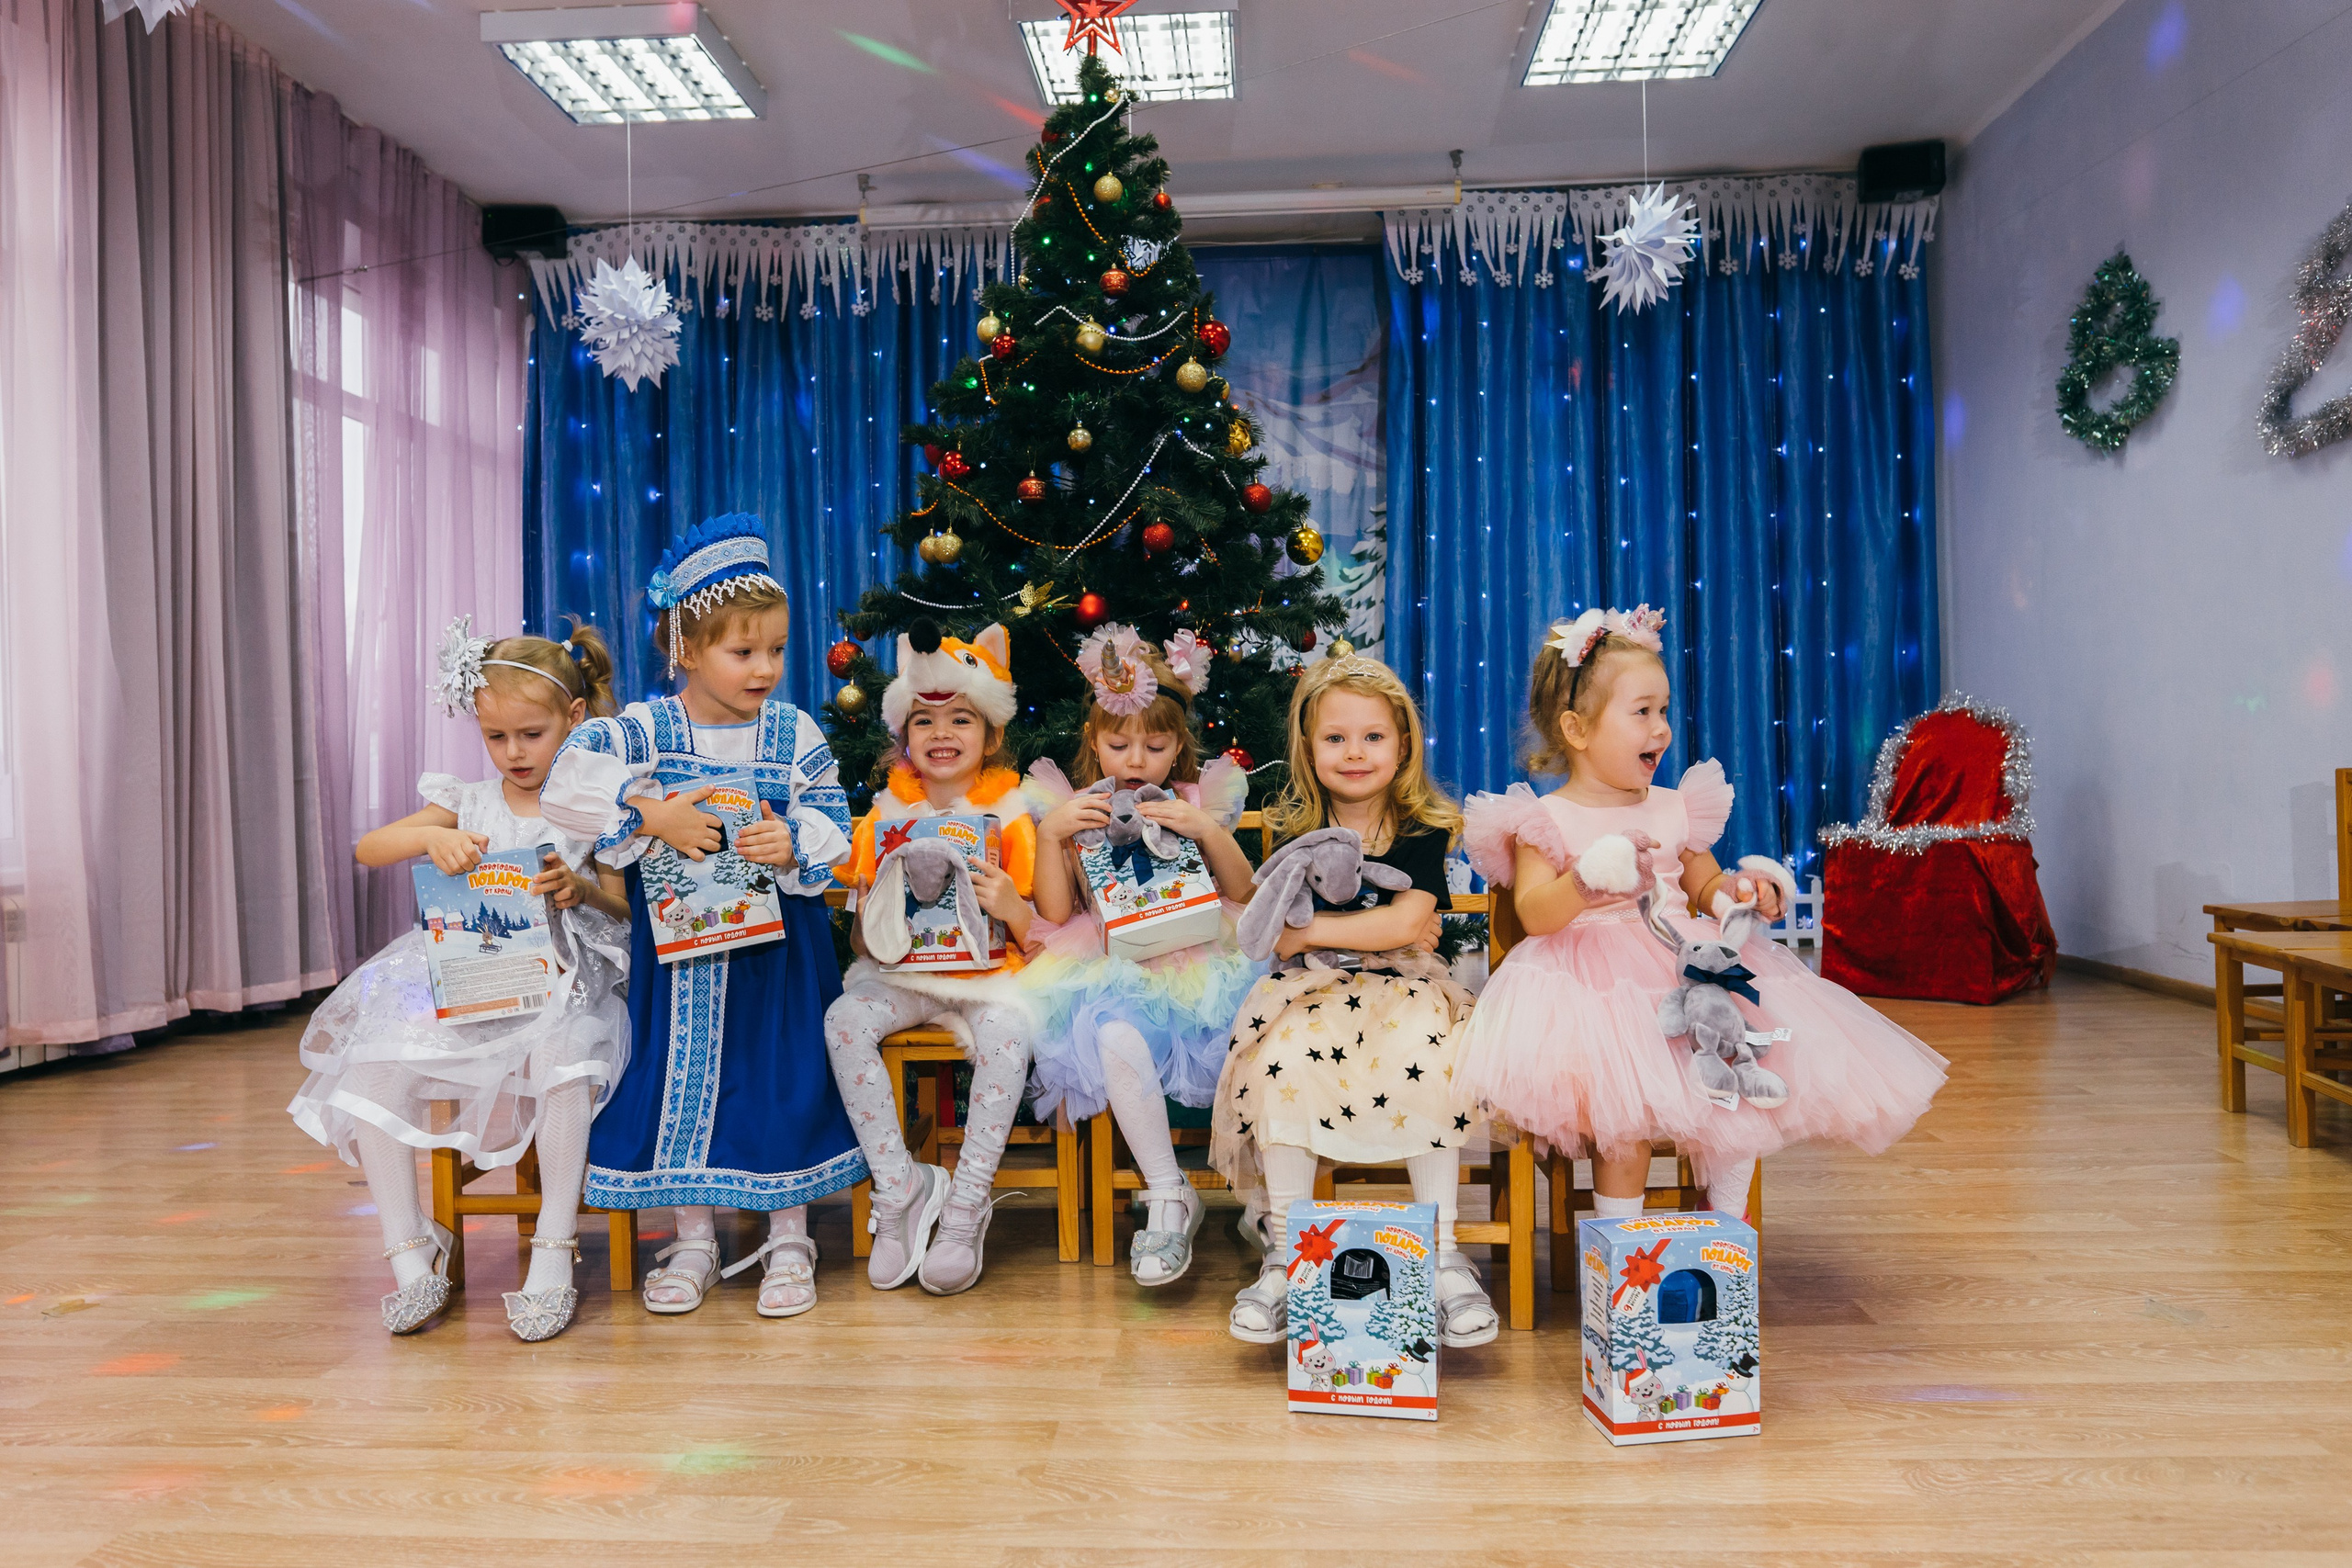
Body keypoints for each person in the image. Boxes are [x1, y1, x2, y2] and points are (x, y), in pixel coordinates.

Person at [1453, 605, 1948, 1224]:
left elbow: (1704, 881)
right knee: (1622, 1123)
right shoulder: (1545, 820)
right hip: (1587, 986)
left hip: (1681, 968)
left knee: (1739, 1083)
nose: (1660, 729)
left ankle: (1724, 1233)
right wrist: (1584, 880)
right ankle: (1619, 1248)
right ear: (1577, 730)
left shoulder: (1674, 805)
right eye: (1641, 712)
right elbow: (1534, 913)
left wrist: (1737, 893)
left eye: (1663, 710)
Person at [540, 513, 865, 1320]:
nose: (765, 668)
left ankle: (790, 1235)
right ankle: (695, 1236)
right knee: (682, 1084)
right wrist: (651, 816)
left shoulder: (794, 733)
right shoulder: (646, 731)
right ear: (686, 647)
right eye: (743, 650)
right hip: (681, 960)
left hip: (779, 960)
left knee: (779, 1079)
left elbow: (837, 823)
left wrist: (790, 841)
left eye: (778, 649)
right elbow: (564, 783)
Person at [288, 618, 628, 1341]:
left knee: (563, 1062)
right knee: (376, 1063)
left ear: (573, 718)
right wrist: (432, 836)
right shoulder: (468, 799)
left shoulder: (597, 804)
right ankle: (413, 1251)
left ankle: (553, 1247)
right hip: (468, 985)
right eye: (495, 737)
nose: (513, 753)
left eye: (531, 735)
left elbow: (628, 905)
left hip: (567, 983)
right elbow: (369, 844)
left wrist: (581, 887)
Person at [1207, 654, 1498, 1348]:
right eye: (1336, 737)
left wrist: (1311, 931)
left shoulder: (1422, 827)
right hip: (1312, 991)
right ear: (1309, 747)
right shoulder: (1294, 825)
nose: (1355, 752)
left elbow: (1403, 928)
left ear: (1402, 745)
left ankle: (1444, 1254)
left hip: (1407, 984)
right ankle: (1286, 1251)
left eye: (1373, 736)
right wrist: (1327, 935)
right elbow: (1267, 934)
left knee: (1433, 1055)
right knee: (1283, 1056)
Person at [1023, 626, 1260, 1286]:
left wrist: (1208, 830)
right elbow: (1055, 911)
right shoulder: (1079, 808)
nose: (1135, 760)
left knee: (1256, 1031)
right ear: (1094, 742)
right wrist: (1052, 836)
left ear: (1178, 746)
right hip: (1114, 968)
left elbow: (1245, 891)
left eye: (1154, 747)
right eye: (1119, 743)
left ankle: (1265, 1200)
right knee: (1114, 1032)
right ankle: (1166, 1191)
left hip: (1203, 962)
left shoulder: (1195, 801)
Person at [825, 620, 1041, 1297]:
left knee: (1010, 1033)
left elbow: (1042, 928)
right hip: (904, 976)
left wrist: (1010, 903)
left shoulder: (1012, 813)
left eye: (960, 719)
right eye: (924, 720)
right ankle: (901, 1187)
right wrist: (866, 914)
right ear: (904, 735)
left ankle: (968, 1201)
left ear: (991, 733)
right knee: (842, 1020)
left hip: (989, 980)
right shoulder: (882, 815)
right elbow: (864, 945)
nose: (941, 734)